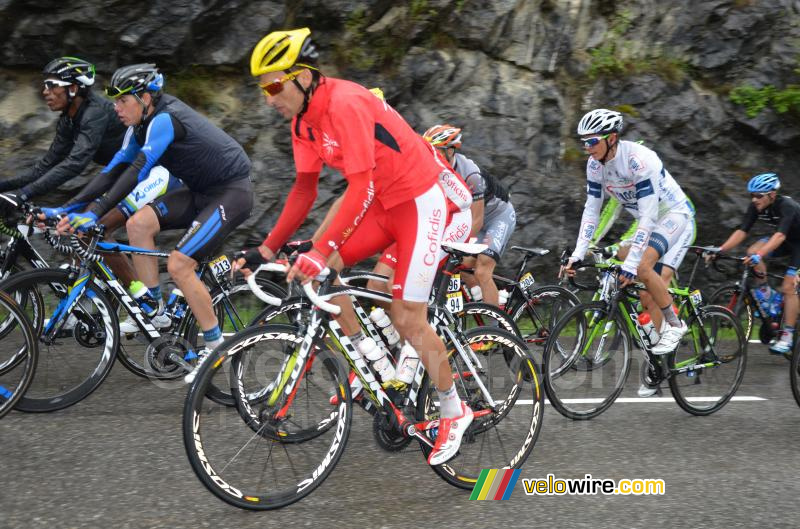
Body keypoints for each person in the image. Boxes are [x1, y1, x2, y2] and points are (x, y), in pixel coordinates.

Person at [242, 27, 472, 465]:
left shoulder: (345, 103)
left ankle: (453, 408)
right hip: (385, 206)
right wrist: (267, 250)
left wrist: (317, 246)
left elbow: (359, 186)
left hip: (420, 204)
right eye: (262, 89)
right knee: (325, 275)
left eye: (274, 85)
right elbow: (304, 191)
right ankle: (377, 375)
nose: (268, 97)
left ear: (304, 77)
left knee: (407, 317)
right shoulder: (302, 123)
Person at [56, 63, 253, 371]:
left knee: (179, 264)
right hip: (200, 191)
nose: (116, 108)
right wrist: (69, 208)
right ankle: (156, 308)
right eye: (115, 101)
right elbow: (114, 170)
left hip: (231, 192)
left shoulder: (164, 119)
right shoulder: (139, 126)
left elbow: (137, 171)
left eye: (123, 100)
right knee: (138, 223)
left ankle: (216, 350)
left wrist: (94, 212)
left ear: (145, 98)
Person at [0, 57, 181, 316]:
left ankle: (147, 302)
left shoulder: (93, 113)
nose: (45, 92)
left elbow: (75, 164)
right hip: (125, 177)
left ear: (73, 88)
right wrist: (7, 188)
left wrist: (25, 194)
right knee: (78, 230)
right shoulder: (68, 120)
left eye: (52, 85)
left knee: (94, 229)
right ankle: (90, 304)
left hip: (154, 173)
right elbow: (45, 166)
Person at [561, 109, 694, 356]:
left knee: (641, 266)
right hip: (650, 221)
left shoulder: (640, 160)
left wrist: (632, 265)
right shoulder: (595, 165)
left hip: (673, 215)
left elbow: (648, 216)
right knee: (620, 258)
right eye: (584, 143)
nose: (587, 148)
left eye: (592, 142)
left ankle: (675, 325)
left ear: (611, 138)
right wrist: (579, 252)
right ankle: (652, 337)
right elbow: (591, 211)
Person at [423, 124, 515, 308]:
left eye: (437, 152)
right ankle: (485, 297)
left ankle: (497, 329)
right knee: (456, 264)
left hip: (496, 217)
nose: (432, 157)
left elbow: (477, 220)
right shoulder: (432, 171)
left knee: (482, 270)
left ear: (450, 151)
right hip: (468, 219)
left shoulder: (470, 173)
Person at [714, 173, 800, 354]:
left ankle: (788, 336)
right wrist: (720, 250)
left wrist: (760, 255)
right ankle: (768, 296)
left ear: (772, 195)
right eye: (752, 195)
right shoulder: (756, 206)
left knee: (788, 286)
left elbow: (780, 235)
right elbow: (742, 230)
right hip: (787, 242)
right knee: (751, 251)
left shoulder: (787, 206)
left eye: (759, 195)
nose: (754, 199)